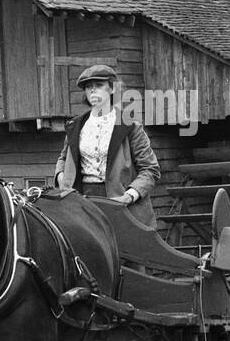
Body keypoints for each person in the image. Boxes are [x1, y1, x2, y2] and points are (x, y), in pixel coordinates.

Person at [54, 64, 160, 228]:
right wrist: (61, 177)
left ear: (112, 89)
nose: (93, 91)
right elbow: (63, 158)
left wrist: (129, 196)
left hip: (121, 203)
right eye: (88, 87)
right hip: (81, 202)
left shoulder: (129, 125)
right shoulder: (75, 126)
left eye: (99, 85)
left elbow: (150, 169)